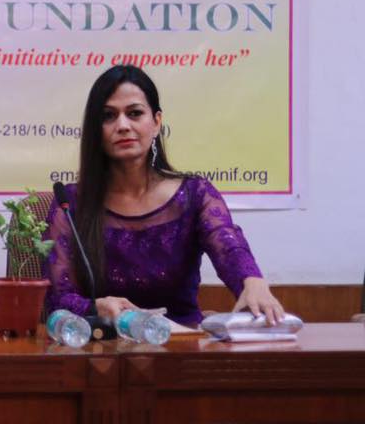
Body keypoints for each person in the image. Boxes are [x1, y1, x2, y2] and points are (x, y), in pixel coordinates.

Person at [44, 66, 284, 327]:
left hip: (183, 341)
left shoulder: (195, 194)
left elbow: (228, 246)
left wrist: (251, 280)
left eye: (134, 113)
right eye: (108, 116)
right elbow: (56, 298)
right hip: (105, 344)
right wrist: (95, 307)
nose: (123, 125)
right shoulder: (70, 203)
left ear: (157, 122)